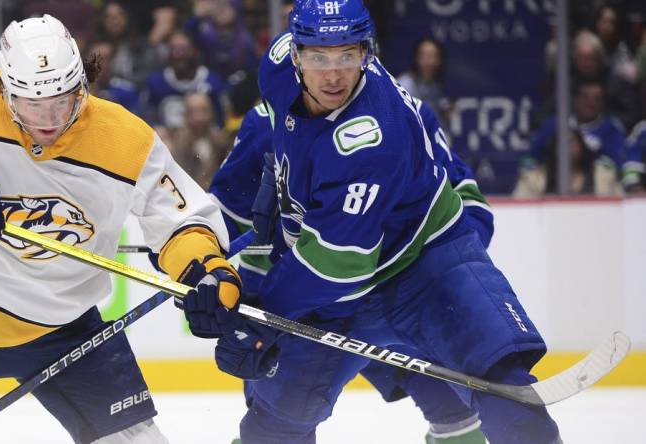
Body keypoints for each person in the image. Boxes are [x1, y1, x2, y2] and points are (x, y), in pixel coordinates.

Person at [184, 1, 561, 443]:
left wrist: (264, 315)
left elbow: (336, 268)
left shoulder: (372, 136)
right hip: (335, 278)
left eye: (347, 56)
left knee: (502, 388)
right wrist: (199, 260)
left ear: (367, 52)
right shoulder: (276, 70)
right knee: (275, 422)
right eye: (318, 57)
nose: (333, 74)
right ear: (294, 54)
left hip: (423, 268)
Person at [0, 15, 241, 444]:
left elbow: (181, 220)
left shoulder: (128, 140)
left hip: (65, 329)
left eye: (63, 100)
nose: (50, 118)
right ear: (3, 87)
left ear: (82, 84)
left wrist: (207, 271)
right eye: (32, 103)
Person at [210, 98, 491, 443]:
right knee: (276, 425)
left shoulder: (406, 110)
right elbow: (225, 214)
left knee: (453, 409)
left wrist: (444, 265)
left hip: (396, 289)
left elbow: (467, 200)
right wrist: (193, 252)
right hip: (295, 300)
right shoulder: (265, 121)